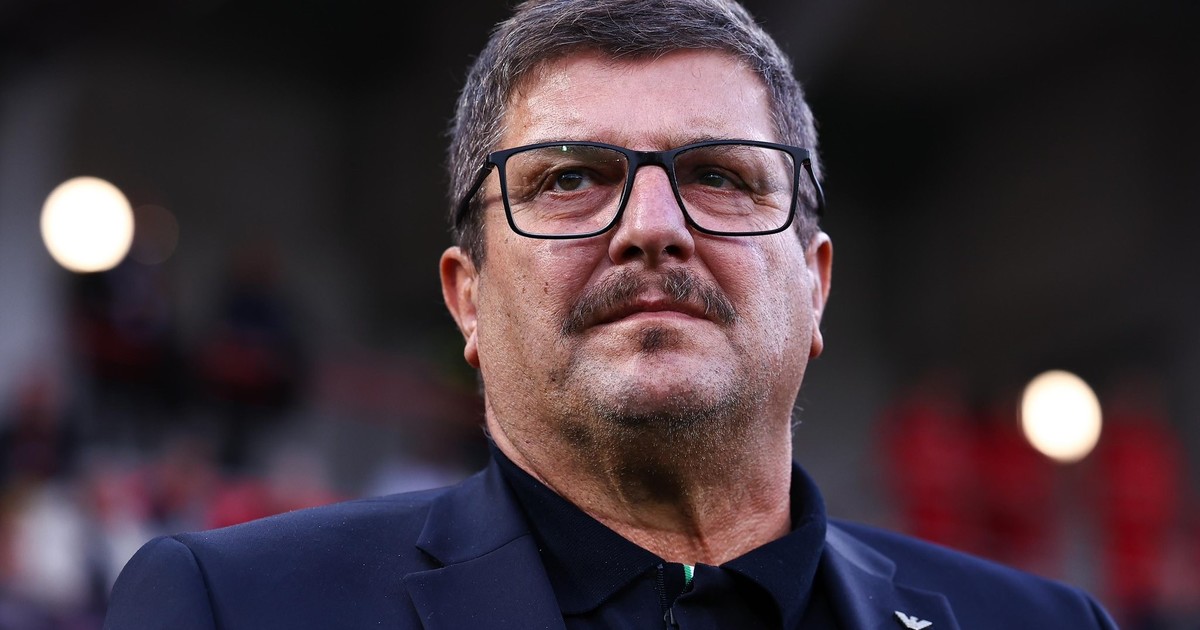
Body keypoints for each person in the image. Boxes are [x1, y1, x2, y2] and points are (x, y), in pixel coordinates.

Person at [104, 0, 1117, 627]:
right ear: (467, 296)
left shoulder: (1049, 626)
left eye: (719, 175)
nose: (653, 228)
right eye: (571, 179)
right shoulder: (236, 610)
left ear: (816, 286)